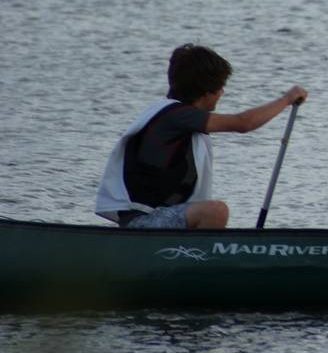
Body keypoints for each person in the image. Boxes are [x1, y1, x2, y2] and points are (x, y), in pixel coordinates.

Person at [95, 44, 307, 229]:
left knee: (213, 211)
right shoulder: (176, 117)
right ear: (206, 90)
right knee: (215, 211)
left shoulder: (179, 118)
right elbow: (243, 123)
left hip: (158, 218)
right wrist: (287, 98)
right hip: (142, 224)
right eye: (220, 87)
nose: (222, 92)